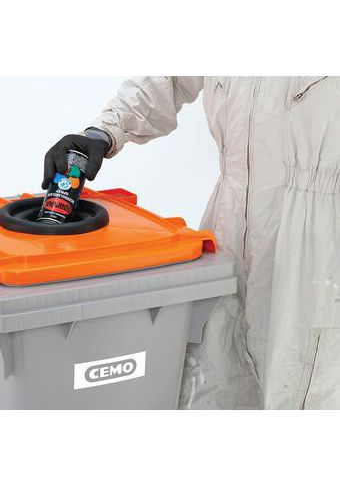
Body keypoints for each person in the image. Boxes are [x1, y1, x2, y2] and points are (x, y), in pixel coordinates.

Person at [43, 77, 340, 410]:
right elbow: (168, 78)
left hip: (318, 245)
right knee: (214, 385)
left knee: (305, 388)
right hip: (228, 229)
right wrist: (102, 133)